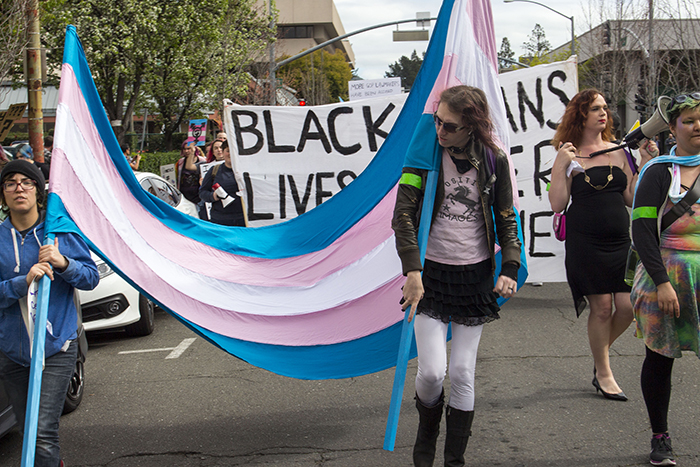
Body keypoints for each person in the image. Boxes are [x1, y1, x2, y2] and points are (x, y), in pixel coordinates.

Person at [392, 85, 521, 467]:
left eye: (449, 126)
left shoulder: (494, 159)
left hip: (474, 276)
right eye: (437, 121)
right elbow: (403, 215)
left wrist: (509, 266)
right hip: (430, 275)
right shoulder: (422, 154)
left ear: (472, 128)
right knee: (432, 373)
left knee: (463, 371)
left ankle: (454, 460)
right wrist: (412, 269)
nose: (440, 131)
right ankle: (427, 431)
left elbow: (506, 217)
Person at [549, 89, 657, 401]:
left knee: (627, 307)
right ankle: (604, 372)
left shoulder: (619, 151)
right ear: (581, 113)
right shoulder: (568, 152)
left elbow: (632, 199)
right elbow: (558, 203)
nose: (603, 113)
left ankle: (600, 354)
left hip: (620, 241)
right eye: (596, 108)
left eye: (605, 107)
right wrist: (559, 164)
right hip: (585, 242)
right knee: (603, 308)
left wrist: (645, 162)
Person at [0, 160, 98, 466]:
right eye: (10, 183)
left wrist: (63, 262)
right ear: (3, 194)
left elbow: (91, 278)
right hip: (12, 352)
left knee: (42, 432)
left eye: (26, 182)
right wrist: (22, 281)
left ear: (38, 190)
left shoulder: (59, 232)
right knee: (28, 430)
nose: (19, 188)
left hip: (56, 348)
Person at [630, 92, 700, 466]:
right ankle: (661, 437)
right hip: (665, 277)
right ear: (673, 128)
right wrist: (662, 282)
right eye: (689, 120)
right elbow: (642, 231)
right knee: (659, 360)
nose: (697, 126)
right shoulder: (658, 172)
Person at [199, 140, 245, 226]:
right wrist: (214, 196)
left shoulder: (246, 170)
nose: (230, 154)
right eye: (228, 151)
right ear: (223, 153)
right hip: (220, 220)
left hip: (244, 219)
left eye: (233, 151)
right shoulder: (214, 170)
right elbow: (202, 193)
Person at [176, 140, 206, 206]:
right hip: (184, 196)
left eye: (188, 149)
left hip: (198, 197)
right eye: (184, 149)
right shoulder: (180, 162)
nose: (186, 151)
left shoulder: (203, 161)